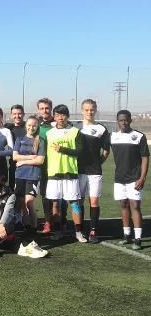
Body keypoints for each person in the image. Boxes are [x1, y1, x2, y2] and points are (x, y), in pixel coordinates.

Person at [45, 104, 84, 242]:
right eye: (58, 115)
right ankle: (57, 231)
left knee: (74, 203)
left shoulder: (75, 131)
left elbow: (79, 151)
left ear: (67, 116)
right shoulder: (49, 133)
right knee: (56, 204)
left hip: (70, 172)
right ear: (54, 117)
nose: (60, 117)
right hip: (54, 173)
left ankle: (78, 231)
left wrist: (62, 149)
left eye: (63, 115)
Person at [111, 110, 149, 250]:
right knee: (123, 205)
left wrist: (142, 177)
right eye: (121, 120)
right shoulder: (113, 137)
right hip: (119, 179)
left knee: (135, 206)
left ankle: (138, 239)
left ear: (130, 120)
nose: (124, 122)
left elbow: (145, 158)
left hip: (135, 179)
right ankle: (127, 235)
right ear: (117, 121)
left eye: (126, 120)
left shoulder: (139, 136)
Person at [77, 99, 110, 243]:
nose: (89, 112)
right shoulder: (75, 128)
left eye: (92, 109)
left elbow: (106, 151)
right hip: (78, 170)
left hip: (95, 171)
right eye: (86, 109)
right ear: (82, 111)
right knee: (79, 200)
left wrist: (97, 163)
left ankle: (93, 230)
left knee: (94, 201)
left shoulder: (102, 129)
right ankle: (81, 229)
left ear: (95, 110)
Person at [12, 116, 46, 233]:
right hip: (20, 175)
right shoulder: (20, 139)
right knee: (21, 203)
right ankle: (26, 226)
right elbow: (14, 156)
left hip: (33, 175)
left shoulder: (40, 141)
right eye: (29, 125)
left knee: (29, 202)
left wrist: (23, 162)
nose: (31, 128)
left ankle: (34, 228)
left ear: (37, 127)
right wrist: (30, 157)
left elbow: (40, 160)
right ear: (26, 126)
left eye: (34, 125)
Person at [37, 97, 56, 233]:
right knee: (44, 194)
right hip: (41, 165)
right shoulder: (36, 124)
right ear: (39, 110)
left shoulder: (58, 123)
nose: (45, 110)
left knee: (58, 194)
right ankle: (48, 221)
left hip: (57, 164)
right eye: (42, 108)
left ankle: (60, 220)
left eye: (47, 108)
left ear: (51, 109)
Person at [6, 104, 26, 189]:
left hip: (28, 166)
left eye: (19, 113)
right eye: (14, 114)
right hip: (14, 167)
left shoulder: (29, 127)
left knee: (26, 196)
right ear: (11, 115)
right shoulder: (8, 129)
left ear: (23, 114)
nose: (17, 116)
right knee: (13, 193)